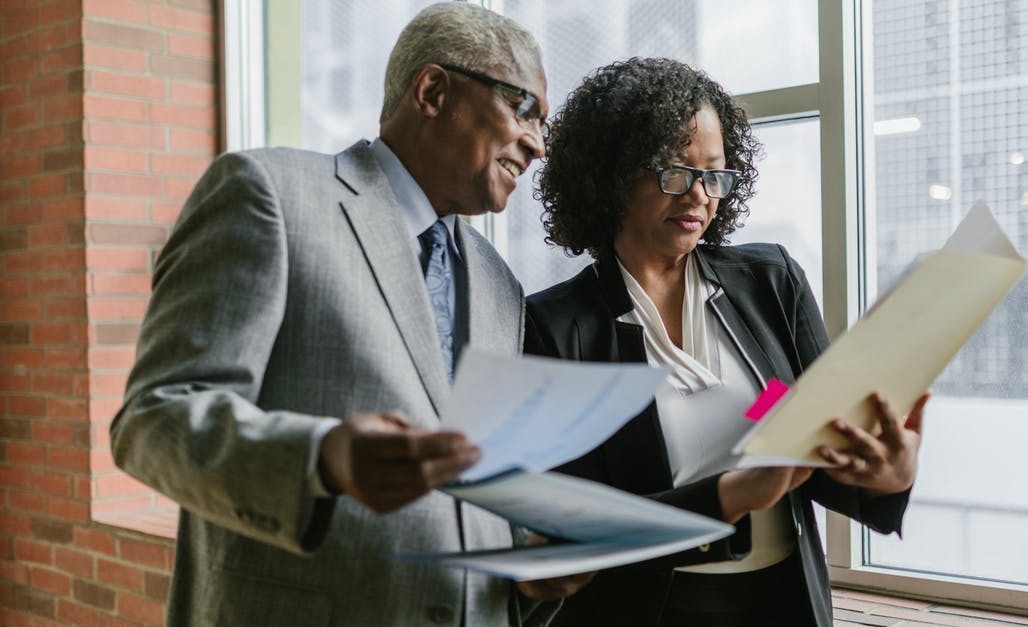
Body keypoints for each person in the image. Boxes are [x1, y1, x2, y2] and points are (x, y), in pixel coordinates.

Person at [111, 4, 587, 625]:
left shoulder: (500, 284)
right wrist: (322, 458)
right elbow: (153, 422)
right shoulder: (267, 194)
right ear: (434, 90)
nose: (538, 144)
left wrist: (528, 568)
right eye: (525, 109)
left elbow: (471, 491)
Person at [524, 57, 928, 627]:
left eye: (714, 174)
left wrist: (887, 479)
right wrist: (732, 494)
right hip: (646, 612)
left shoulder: (770, 281)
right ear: (613, 176)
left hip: (784, 602)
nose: (699, 196)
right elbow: (583, 532)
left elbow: (819, 446)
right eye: (674, 172)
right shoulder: (554, 327)